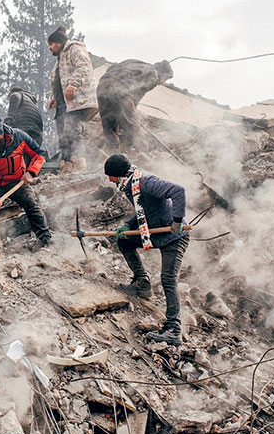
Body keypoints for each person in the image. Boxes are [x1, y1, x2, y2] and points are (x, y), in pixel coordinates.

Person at [104, 154, 189, 345]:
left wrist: (177, 221)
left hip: (175, 236)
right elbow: (145, 210)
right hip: (156, 233)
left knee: (168, 279)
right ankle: (142, 283)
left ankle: (174, 330)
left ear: (119, 175)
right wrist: (128, 225)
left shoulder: (145, 182)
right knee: (124, 241)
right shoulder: (131, 184)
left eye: (111, 177)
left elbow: (178, 191)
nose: (110, 181)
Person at [0, 113, 51, 250]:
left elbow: (40, 154)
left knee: (32, 205)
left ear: (0, 134)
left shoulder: (18, 137)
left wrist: (31, 172)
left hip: (17, 182)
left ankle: (45, 240)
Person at [47, 26, 97, 172]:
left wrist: (73, 84)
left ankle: (80, 166)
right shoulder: (60, 60)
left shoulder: (74, 49)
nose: (50, 48)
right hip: (63, 104)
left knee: (74, 132)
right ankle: (67, 166)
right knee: (63, 135)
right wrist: (54, 98)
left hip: (76, 102)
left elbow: (83, 67)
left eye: (51, 44)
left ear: (59, 42)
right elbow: (58, 81)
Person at [96, 59, 174, 152]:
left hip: (102, 86)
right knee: (133, 126)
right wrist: (132, 112)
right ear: (162, 74)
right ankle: (143, 153)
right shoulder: (154, 75)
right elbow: (138, 94)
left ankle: (109, 151)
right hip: (120, 90)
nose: (163, 83)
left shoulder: (135, 62)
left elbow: (111, 68)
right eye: (165, 79)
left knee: (109, 125)